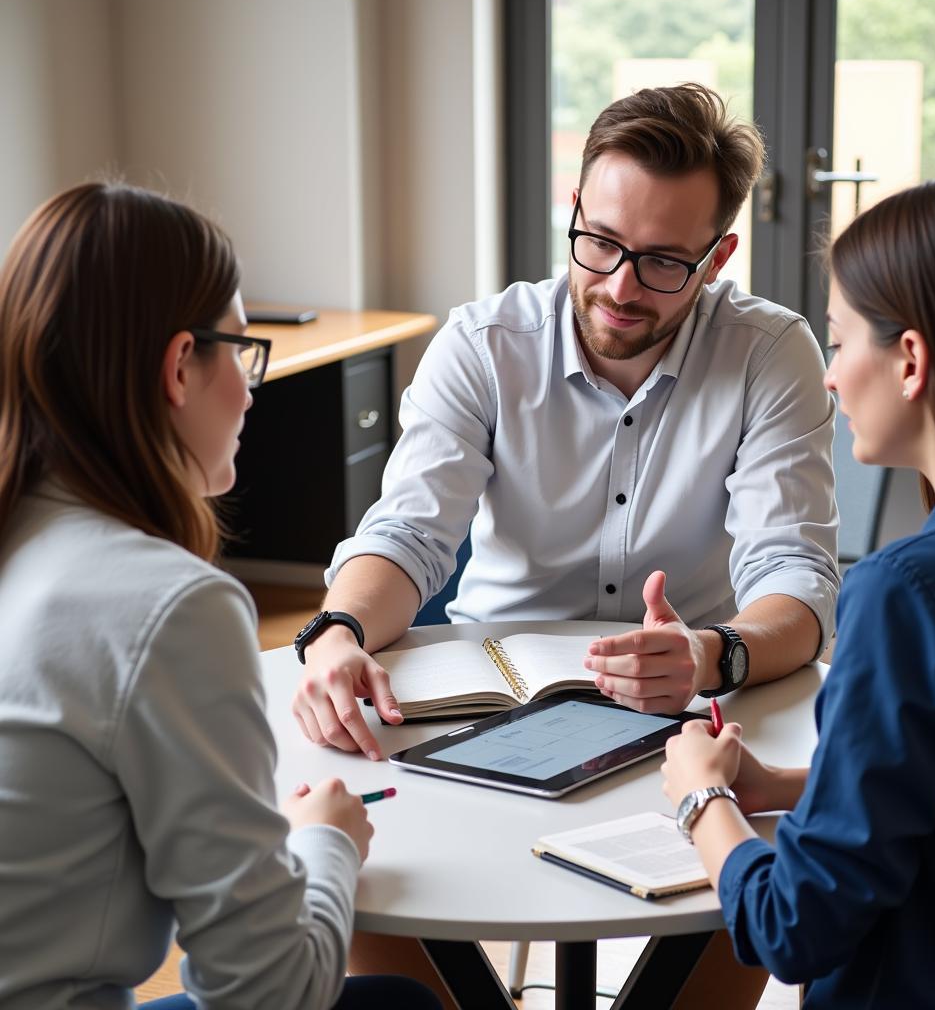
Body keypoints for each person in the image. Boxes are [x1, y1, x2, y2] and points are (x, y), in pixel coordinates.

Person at [292, 83, 840, 763]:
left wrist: (710, 653)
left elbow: (794, 574)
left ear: (717, 259)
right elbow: (409, 532)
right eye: (601, 242)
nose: (619, 287)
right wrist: (337, 631)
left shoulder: (770, 351)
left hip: (690, 705)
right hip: (488, 691)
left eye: (664, 262)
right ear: (575, 210)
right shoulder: (483, 344)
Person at [0, 183, 440, 1010]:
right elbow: (265, 993)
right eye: (241, 350)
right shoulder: (170, 606)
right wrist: (327, 844)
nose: (248, 387)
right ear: (178, 367)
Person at [661, 169, 935, 1008]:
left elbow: (794, 928)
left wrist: (702, 798)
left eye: (838, 338)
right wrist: (791, 788)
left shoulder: (908, 594)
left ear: (909, 360)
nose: (827, 376)